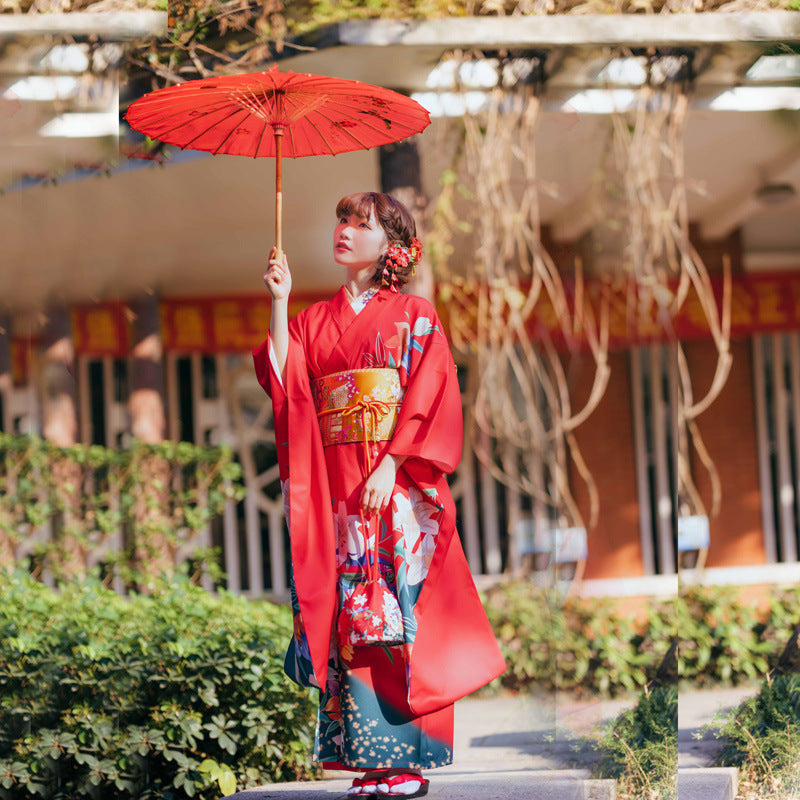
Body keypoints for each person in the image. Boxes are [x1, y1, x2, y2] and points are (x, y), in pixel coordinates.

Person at [252, 192, 505, 798]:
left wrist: (393, 464)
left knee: (397, 611)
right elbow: (286, 384)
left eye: (359, 224)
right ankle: (369, 764)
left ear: (391, 245)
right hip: (338, 487)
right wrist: (280, 302)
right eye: (341, 220)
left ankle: (407, 762)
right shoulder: (313, 320)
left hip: (394, 485)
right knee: (351, 619)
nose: (344, 231)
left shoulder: (416, 315)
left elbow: (431, 395)